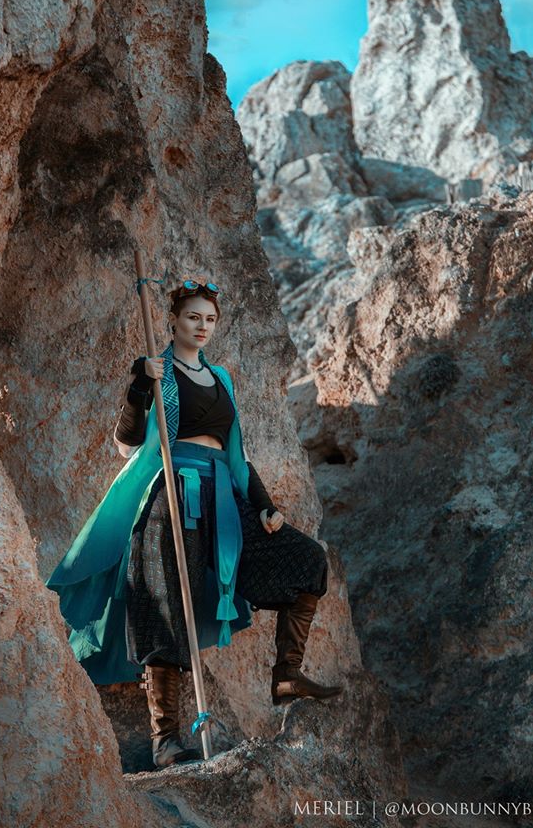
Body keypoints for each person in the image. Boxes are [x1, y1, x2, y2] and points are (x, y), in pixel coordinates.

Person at [45, 280, 342, 770]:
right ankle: (165, 740)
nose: (201, 326)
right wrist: (138, 385)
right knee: (164, 602)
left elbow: (237, 452)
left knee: (306, 560)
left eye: (209, 319)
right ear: (174, 321)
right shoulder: (157, 372)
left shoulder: (221, 378)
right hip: (170, 494)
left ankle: (287, 673)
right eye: (192, 317)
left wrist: (264, 505)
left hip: (222, 494)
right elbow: (127, 444)